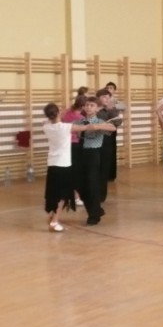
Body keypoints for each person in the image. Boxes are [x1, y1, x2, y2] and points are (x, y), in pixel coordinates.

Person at [42, 103, 98, 231]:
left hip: (52, 164)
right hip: (63, 165)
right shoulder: (66, 127)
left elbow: (49, 119)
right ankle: (54, 222)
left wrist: (60, 112)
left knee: (54, 193)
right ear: (57, 113)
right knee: (62, 196)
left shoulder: (46, 127)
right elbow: (87, 127)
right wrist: (102, 124)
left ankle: (52, 216)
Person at [75, 97, 117, 225]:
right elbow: (72, 129)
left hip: (93, 154)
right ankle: (97, 210)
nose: (88, 107)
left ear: (98, 108)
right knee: (80, 185)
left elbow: (113, 128)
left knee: (92, 184)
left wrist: (96, 126)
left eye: (92, 105)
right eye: (87, 105)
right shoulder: (79, 121)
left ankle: (94, 215)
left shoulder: (100, 121)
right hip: (80, 153)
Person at [96, 88, 122, 203]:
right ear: (98, 98)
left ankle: (101, 195)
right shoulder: (95, 109)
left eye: (108, 97)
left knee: (105, 169)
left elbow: (117, 122)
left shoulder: (111, 109)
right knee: (95, 168)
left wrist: (111, 111)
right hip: (94, 141)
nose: (106, 99)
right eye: (104, 97)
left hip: (107, 141)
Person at [61, 94, 87, 206]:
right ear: (83, 106)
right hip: (74, 145)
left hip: (64, 144)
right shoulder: (80, 118)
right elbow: (80, 134)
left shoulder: (66, 112)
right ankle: (76, 197)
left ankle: (65, 195)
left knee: (67, 170)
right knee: (76, 172)